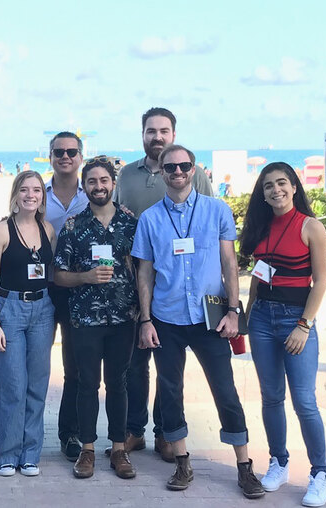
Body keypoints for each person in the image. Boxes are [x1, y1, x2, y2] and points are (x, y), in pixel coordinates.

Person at [132, 145, 265, 499]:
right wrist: (145, 320)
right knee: (171, 392)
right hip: (167, 318)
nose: (177, 172)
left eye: (184, 166)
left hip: (211, 318)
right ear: (161, 172)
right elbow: (144, 273)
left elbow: (229, 264)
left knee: (225, 391)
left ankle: (244, 466)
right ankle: (182, 461)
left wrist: (235, 311)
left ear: (194, 170)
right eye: (170, 167)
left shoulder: (216, 209)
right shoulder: (150, 219)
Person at [113, 107, 213, 462]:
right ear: (143, 134)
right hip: (135, 279)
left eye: (164, 130)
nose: (157, 136)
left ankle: (167, 432)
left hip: (178, 284)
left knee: (170, 367)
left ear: (174, 134)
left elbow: (210, 220)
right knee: (136, 361)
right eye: (151, 130)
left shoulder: (193, 173)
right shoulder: (125, 175)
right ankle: (135, 429)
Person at [240, 162, 326, 507]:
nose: (275, 190)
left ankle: (320, 473)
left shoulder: (311, 227)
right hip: (263, 318)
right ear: (262, 194)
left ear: (294, 187)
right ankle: (278, 461)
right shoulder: (260, 227)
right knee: (271, 397)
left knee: (304, 401)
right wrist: (248, 317)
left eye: (281, 183)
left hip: (297, 319)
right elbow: (258, 277)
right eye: (268, 186)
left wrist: (304, 325)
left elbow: (320, 281)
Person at [54, 157, 138, 480]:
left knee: (118, 383)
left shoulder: (131, 223)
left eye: (104, 180)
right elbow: (58, 275)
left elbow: (144, 267)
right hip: (84, 320)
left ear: (113, 184)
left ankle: (119, 449)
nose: (98, 186)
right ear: (84, 185)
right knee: (87, 384)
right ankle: (87, 450)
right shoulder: (74, 226)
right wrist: (86, 277)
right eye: (92, 181)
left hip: (123, 318)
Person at [0, 170, 55, 477]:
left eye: (37, 190)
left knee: (37, 385)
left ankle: (30, 454)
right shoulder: (1, 231)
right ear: (15, 194)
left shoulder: (48, 229)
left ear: (42, 196)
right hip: (9, 309)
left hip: (43, 310)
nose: (31, 195)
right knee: (12, 385)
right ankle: (7, 454)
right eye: (25, 189)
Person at [44, 132, 88, 462]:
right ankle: (23, 432)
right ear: (50, 156)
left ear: (80, 156)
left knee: (75, 367)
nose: (65, 156)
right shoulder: (35, 194)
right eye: (59, 151)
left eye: (71, 151)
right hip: (42, 289)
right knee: (33, 365)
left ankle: (69, 433)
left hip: (78, 288)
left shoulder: (93, 194)